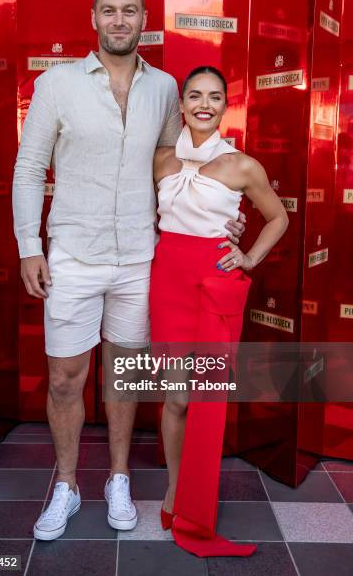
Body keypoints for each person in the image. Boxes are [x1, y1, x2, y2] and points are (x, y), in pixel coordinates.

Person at [12, 0, 244, 541]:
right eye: (109, 11)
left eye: (130, 11)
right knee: (66, 377)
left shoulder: (165, 88)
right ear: (94, 18)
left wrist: (223, 216)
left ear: (144, 20)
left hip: (142, 256)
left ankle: (117, 478)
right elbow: (27, 168)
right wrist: (28, 246)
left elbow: (177, 166)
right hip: (71, 253)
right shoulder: (56, 85)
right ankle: (66, 485)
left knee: (125, 373)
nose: (120, 20)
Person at [150, 66, 289, 557]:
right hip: (167, 282)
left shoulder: (242, 165)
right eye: (194, 96)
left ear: (225, 106)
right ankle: (173, 488)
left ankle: (196, 503)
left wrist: (248, 256)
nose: (203, 104)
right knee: (176, 399)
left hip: (214, 285)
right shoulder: (161, 159)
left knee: (205, 399)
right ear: (182, 104)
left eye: (213, 97)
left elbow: (279, 217)